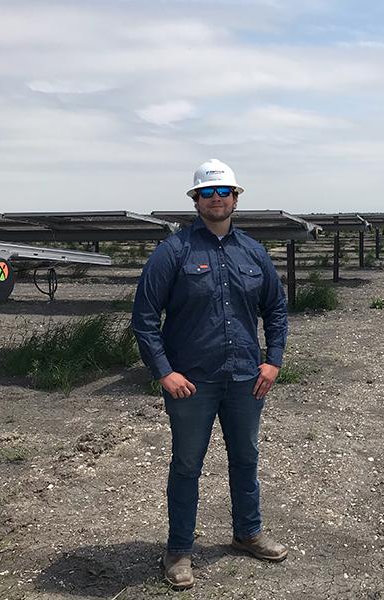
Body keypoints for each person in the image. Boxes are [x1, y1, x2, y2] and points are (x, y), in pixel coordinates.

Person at [131, 158, 289, 590]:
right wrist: (164, 373)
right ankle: (179, 550)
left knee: (246, 458)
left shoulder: (253, 252)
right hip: (191, 384)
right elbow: (144, 317)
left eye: (223, 192)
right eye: (207, 193)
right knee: (186, 465)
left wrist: (273, 359)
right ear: (195, 200)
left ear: (236, 197)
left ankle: (248, 532)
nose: (216, 199)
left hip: (245, 379)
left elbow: (275, 309)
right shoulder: (174, 252)